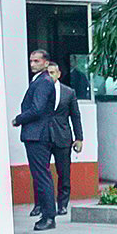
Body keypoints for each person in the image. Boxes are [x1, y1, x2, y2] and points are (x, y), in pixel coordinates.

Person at [12, 48, 58, 231]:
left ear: (46, 63)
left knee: (42, 175)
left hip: (38, 135)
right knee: (40, 175)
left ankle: (48, 216)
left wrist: (19, 119)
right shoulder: (40, 81)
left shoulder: (44, 82)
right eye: (31, 61)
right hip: (36, 134)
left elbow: (37, 109)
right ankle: (47, 214)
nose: (32, 64)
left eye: (37, 61)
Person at [46, 62, 84, 215]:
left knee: (64, 172)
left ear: (59, 74)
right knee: (42, 172)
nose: (50, 76)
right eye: (47, 73)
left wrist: (79, 137)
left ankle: (62, 204)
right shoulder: (40, 91)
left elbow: (75, 116)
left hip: (63, 136)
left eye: (52, 72)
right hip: (44, 136)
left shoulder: (69, 92)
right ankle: (41, 204)